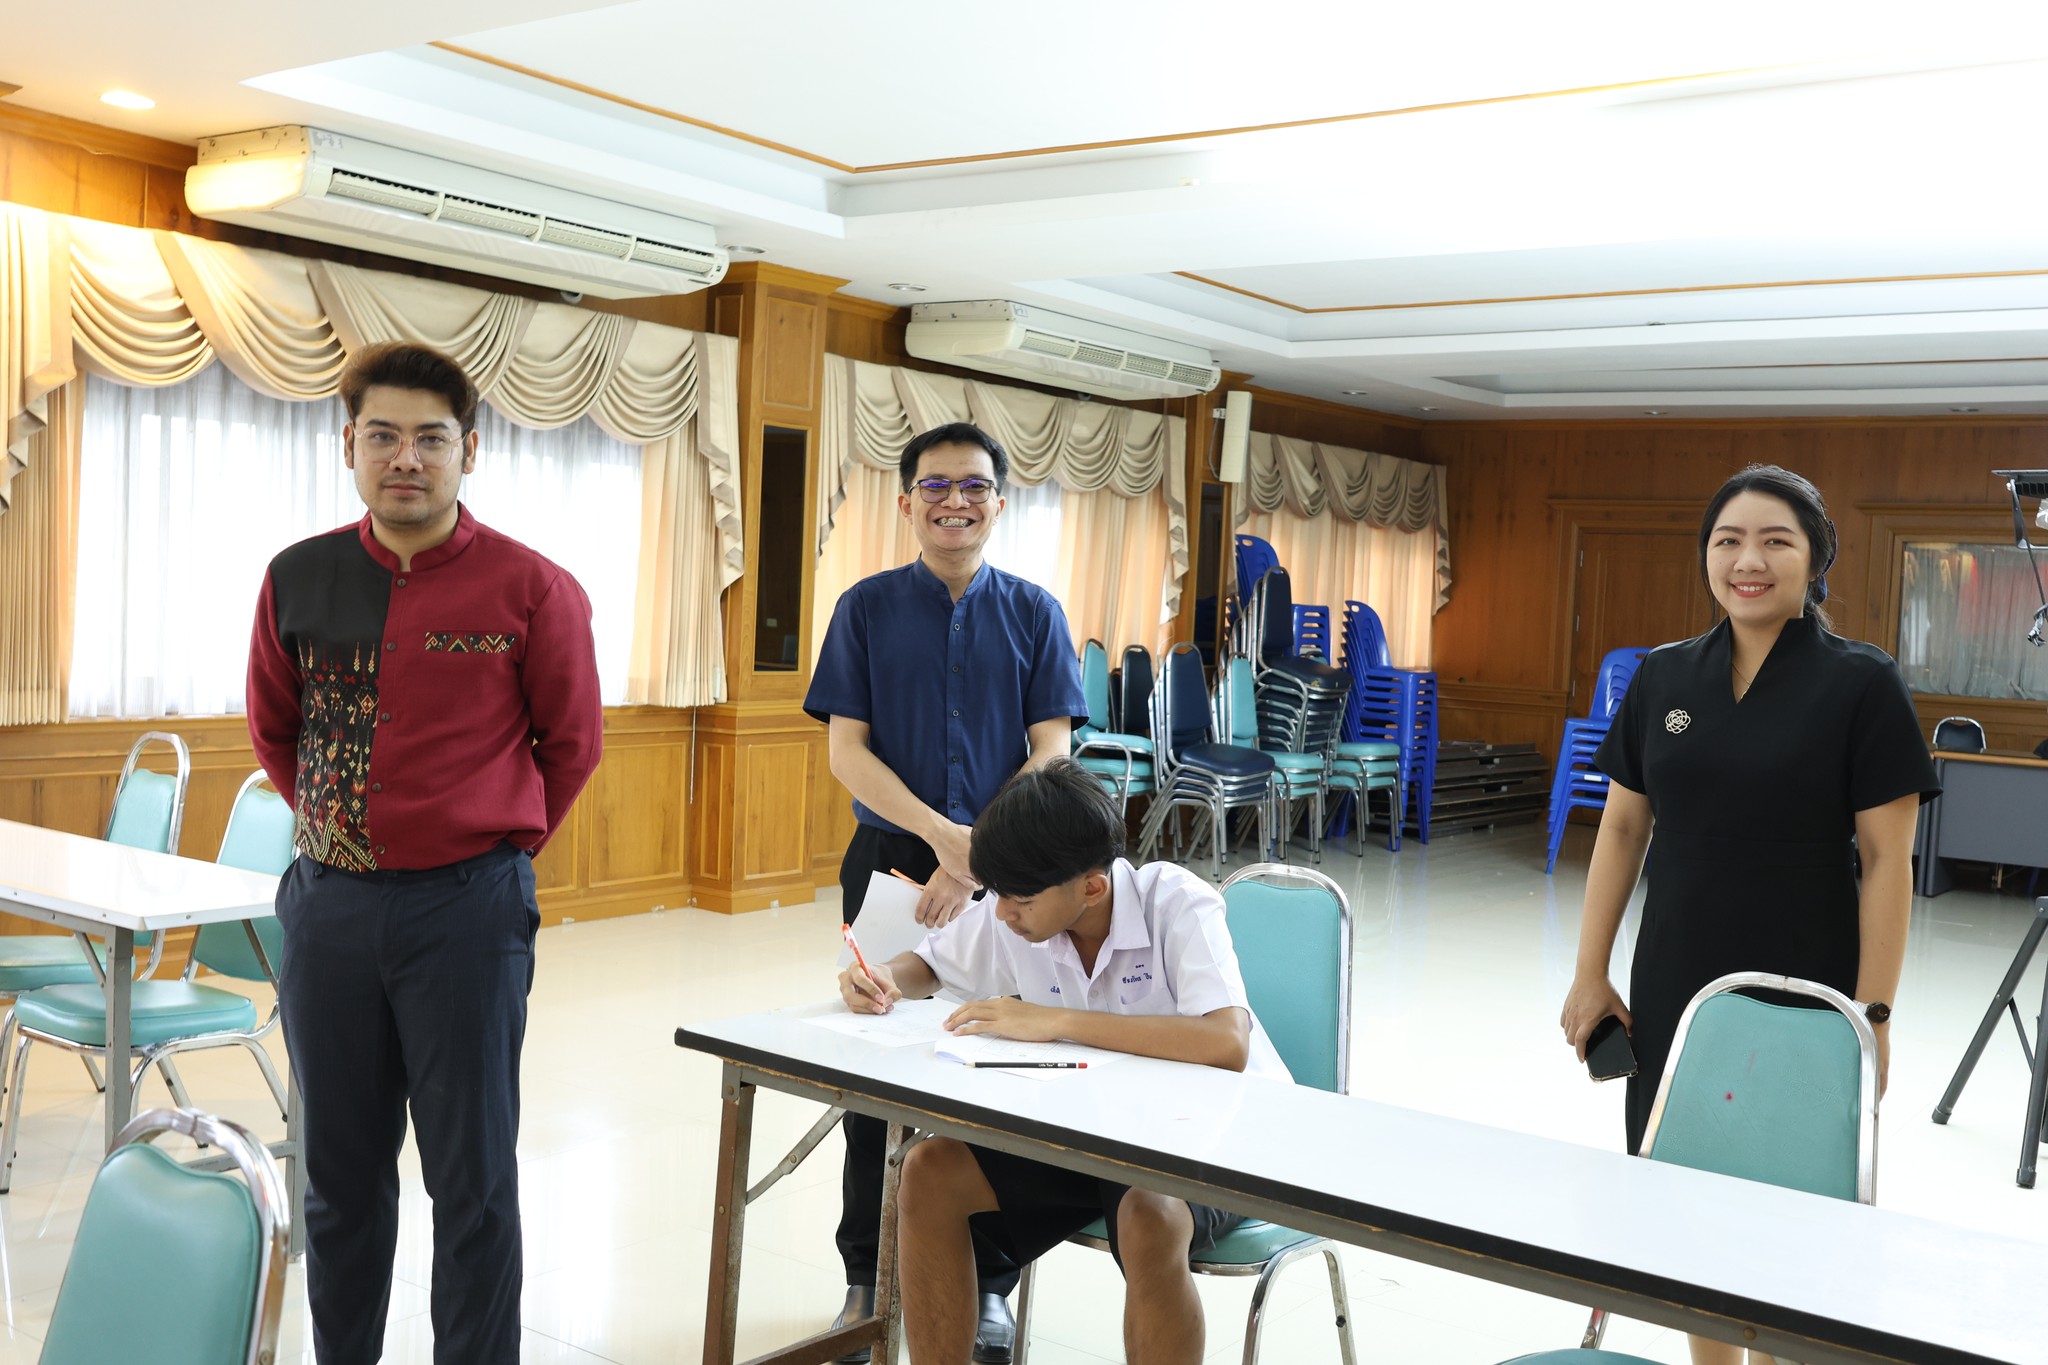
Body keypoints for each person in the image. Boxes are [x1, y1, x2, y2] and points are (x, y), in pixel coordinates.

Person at [246, 341, 603, 1364]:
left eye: (431, 439)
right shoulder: (298, 577)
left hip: (469, 911)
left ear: (469, 452)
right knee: (339, 1176)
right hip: (330, 909)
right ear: (348, 445)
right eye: (384, 436)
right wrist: (346, 832)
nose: (406, 458)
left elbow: (571, 744)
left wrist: (487, 844)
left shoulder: (532, 588)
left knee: (472, 1179)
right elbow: (276, 730)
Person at [1558, 464, 1938, 1365]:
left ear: (1816, 560)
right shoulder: (1664, 676)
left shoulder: (1862, 682)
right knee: (1689, 1211)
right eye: (1728, 541)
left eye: (1776, 541)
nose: (1748, 561)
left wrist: (1874, 1016)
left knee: (1787, 1216)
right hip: (1677, 979)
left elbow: (1886, 860)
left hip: (1806, 984)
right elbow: (1622, 828)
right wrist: (1589, 971)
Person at [838, 759, 1289, 1365]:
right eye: (998, 895)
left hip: (1210, 1138)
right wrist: (886, 976)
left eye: (1019, 901)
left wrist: (1056, 1022)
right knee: (928, 1170)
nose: (1003, 913)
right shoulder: (1022, 905)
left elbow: (1226, 1043)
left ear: (1092, 889)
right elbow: (931, 964)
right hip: (1091, 1132)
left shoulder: (1176, 902)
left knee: (1148, 1215)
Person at [805, 421, 1088, 1363]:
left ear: (1000, 501)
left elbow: (1053, 748)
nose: (954, 501)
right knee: (872, 1060)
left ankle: (989, 1282)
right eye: (935, 485)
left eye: (973, 485)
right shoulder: (865, 607)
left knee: (996, 1060)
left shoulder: (1036, 611)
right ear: (906, 501)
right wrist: (944, 839)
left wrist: (979, 854)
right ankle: (864, 1276)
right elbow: (847, 751)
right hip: (891, 861)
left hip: (1014, 871)